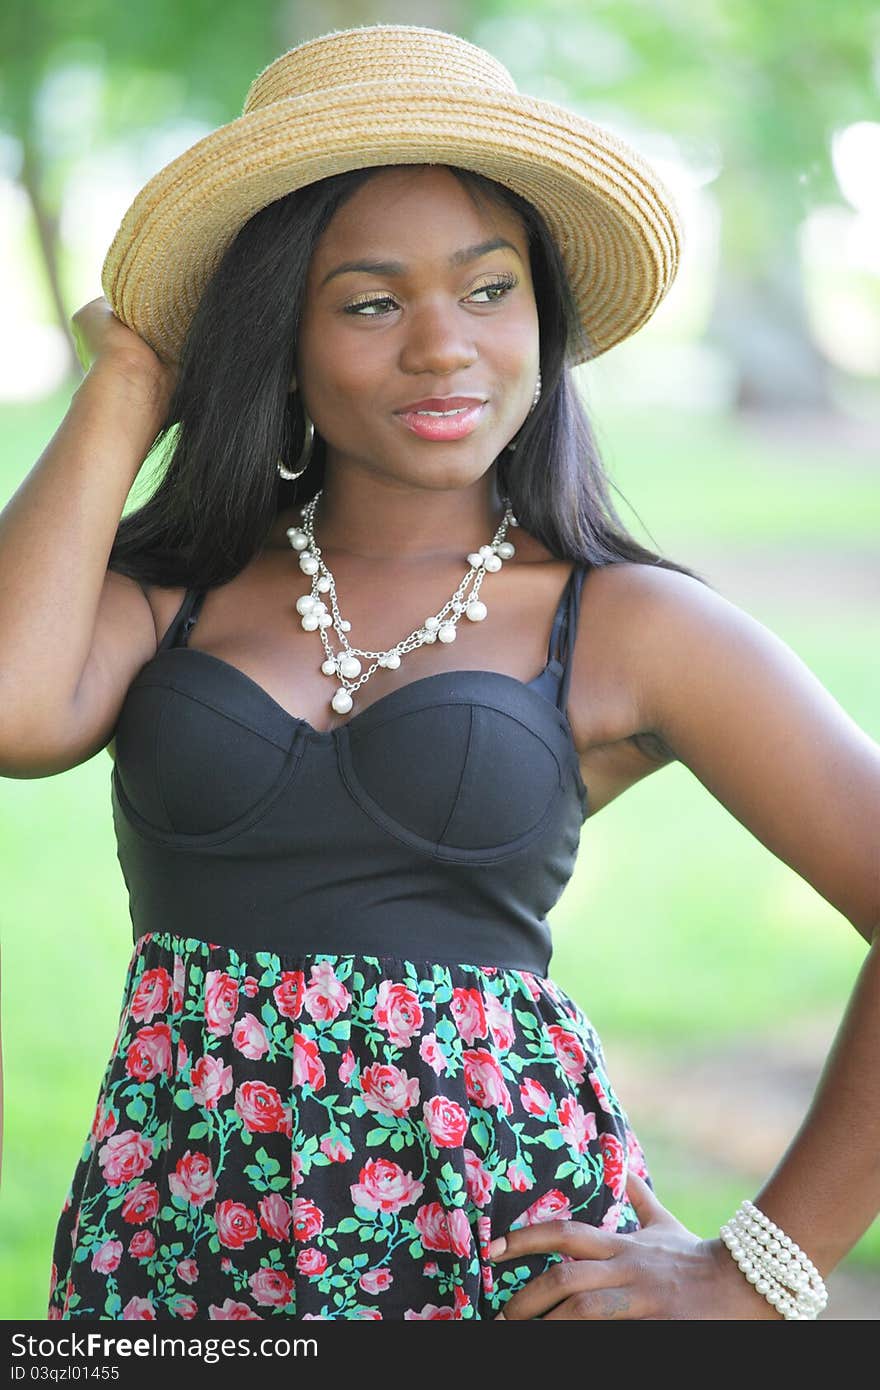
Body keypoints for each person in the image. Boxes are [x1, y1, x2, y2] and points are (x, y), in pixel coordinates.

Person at [1, 23, 877, 1322]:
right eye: (368, 301)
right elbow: (16, 714)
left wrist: (759, 1269)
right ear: (277, 333)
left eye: (488, 289)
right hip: (168, 1258)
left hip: (497, 1273)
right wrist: (129, 376)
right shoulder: (173, 596)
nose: (442, 348)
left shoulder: (626, 623)